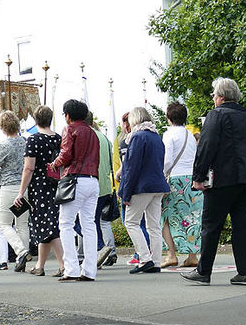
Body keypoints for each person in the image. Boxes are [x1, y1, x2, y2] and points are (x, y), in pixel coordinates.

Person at [182, 77, 246, 285]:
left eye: (214, 95)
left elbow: (206, 147)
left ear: (221, 97)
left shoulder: (216, 115)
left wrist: (198, 177)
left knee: (211, 225)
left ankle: (204, 271)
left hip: (223, 179)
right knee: (243, 225)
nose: (213, 99)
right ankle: (245, 273)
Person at [50, 99, 100, 282]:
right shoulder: (93, 133)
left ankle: (71, 269)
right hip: (93, 180)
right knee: (89, 225)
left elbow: (66, 154)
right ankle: (89, 270)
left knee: (65, 224)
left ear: (68, 115)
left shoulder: (69, 129)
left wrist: (55, 164)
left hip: (75, 180)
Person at [15, 105, 64, 276]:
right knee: (46, 223)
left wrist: (21, 192)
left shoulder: (33, 140)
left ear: (35, 120)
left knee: (48, 226)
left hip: (40, 186)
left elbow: (29, 168)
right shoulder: (59, 138)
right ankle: (39, 265)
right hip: (56, 184)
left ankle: (64, 264)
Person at [119, 105, 169, 274]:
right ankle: (155, 262)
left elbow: (131, 168)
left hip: (142, 186)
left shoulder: (137, 137)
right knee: (154, 225)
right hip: (158, 185)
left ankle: (144, 258)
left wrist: (126, 193)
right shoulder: (156, 137)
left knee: (131, 222)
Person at [160, 102, 202, 269]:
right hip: (190, 178)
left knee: (164, 216)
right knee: (192, 216)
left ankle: (171, 253)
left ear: (169, 117)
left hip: (175, 179)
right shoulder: (190, 135)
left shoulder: (168, 135)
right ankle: (192, 256)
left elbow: (167, 159)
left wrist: (162, 174)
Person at [0, 111, 31, 272]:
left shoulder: (3, 146)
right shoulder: (26, 142)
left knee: (4, 224)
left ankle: (20, 251)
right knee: (22, 224)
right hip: (24, 186)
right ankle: (22, 260)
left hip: (8, 187)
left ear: (2, 127)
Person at [89, 112, 117, 269]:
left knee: (88, 222)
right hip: (106, 185)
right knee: (103, 221)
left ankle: (99, 249)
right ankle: (110, 250)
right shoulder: (104, 138)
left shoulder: (88, 137)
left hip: (93, 183)